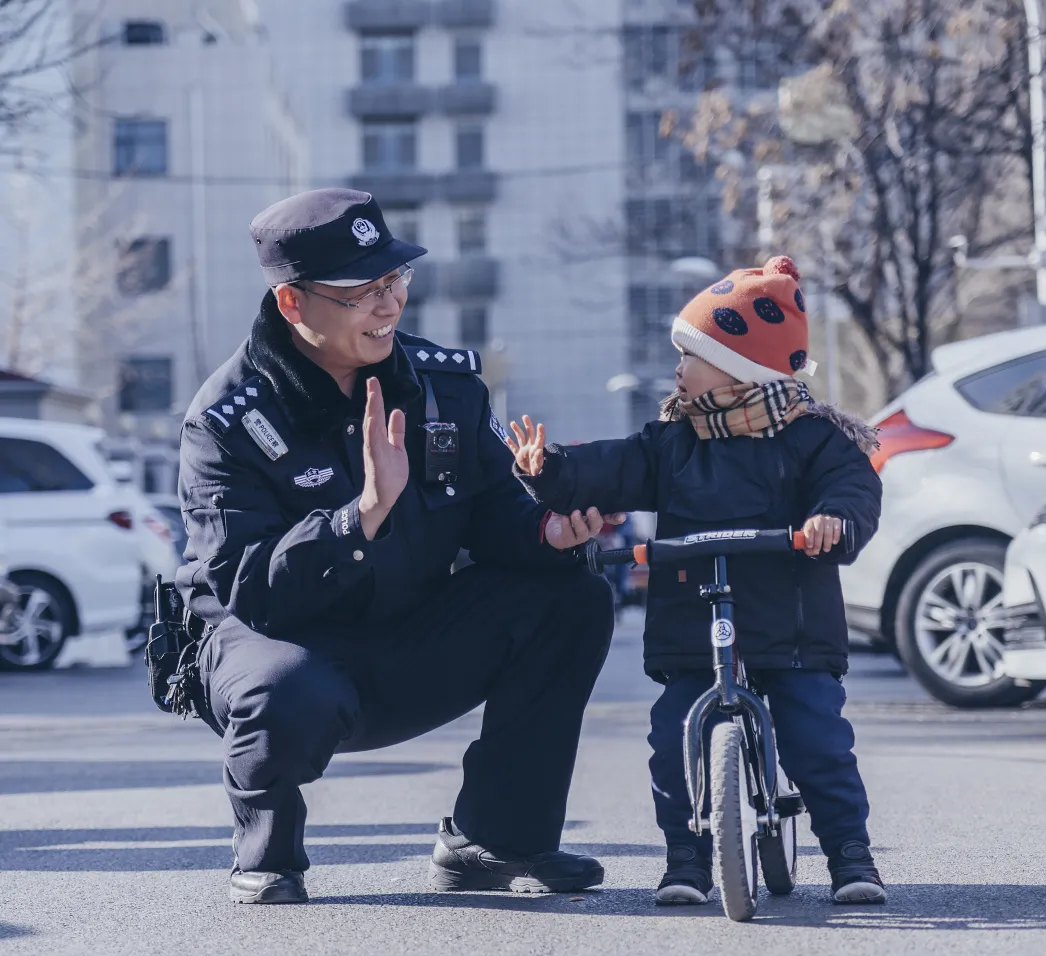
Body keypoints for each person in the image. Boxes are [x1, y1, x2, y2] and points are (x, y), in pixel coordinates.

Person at [176, 188, 621, 903]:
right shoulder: (227, 420)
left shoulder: (443, 387)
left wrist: (550, 531)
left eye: (395, 281)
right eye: (362, 291)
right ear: (294, 304)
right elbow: (249, 590)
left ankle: (496, 840)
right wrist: (362, 515)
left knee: (573, 597)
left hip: (408, 639)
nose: (390, 306)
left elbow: (494, 513)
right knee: (283, 688)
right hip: (285, 651)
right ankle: (268, 852)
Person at [507, 255, 887, 906]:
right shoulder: (673, 443)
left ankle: (850, 855)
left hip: (790, 628)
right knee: (672, 740)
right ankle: (686, 859)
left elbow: (852, 488)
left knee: (817, 739)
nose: (678, 368)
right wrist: (550, 472)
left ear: (741, 365)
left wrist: (831, 521)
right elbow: (611, 469)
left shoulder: (813, 440)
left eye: (693, 353)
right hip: (696, 628)